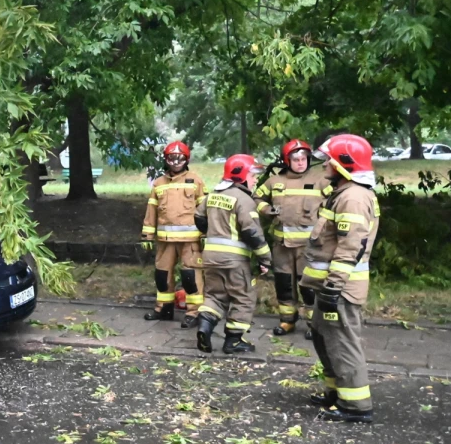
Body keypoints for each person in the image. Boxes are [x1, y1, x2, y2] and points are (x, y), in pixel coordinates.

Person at [300, 134, 379, 423]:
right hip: (329, 286)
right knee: (325, 338)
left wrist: (333, 287)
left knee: (342, 342)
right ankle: (336, 392)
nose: (324, 166)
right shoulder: (343, 193)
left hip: (341, 289)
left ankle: (355, 406)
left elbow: (350, 246)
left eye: (329, 161)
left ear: (344, 163)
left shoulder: (354, 198)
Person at [193, 155, 272, 354]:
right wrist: (265, 258)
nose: (255, 180)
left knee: (214, 295)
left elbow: (199, 217)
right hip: (235, 261)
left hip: (210, 258)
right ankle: (234, 341)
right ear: (242, 175)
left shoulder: (214, 194)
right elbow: (252, 233)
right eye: (253, 175)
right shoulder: (245, 200)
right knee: (243, 297)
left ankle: (205, 327)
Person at [254, 139, 331, 338]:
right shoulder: (275, 181)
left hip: (309, 247)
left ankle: (314, 324)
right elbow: (257, 198)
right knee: (284, 285)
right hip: (282, 247)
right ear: (287, 161)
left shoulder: (320, 179)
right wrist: (268, 210)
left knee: (309, 286)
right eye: (295, 159)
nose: (300, 162)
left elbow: (335, 203)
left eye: (304, 158)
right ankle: (287, 321)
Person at [140, 141, 206, 326]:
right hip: (165, 240)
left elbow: (204, 209)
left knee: (191, 277)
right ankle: (163, 308)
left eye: (180, 158)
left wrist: (206, 234)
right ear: (166, 160)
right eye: (171, 158)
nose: (175, 161)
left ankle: (195, 313)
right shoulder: (158, 183)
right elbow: (151, 211)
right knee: (162, 275)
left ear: (186, 159)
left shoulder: (196, 181)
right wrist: (147, 235)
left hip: (190, 241)